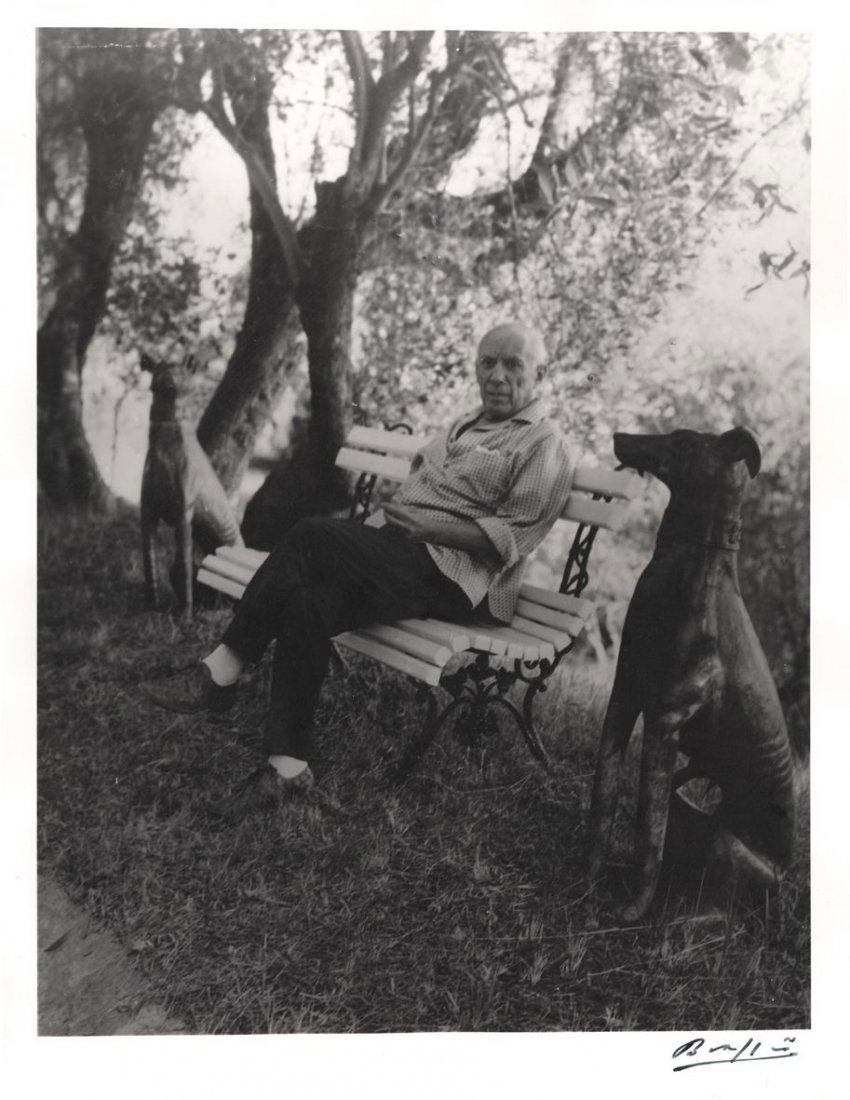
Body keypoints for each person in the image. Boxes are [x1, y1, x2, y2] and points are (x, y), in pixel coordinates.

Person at [143, 322, 576, 818]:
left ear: (540, 373)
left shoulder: (544, 443)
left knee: (311, 535)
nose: (497, 375)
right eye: (487, 362)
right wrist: (386, 527)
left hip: (451, 575)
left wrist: (428, 530)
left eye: (512, 365)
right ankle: (287, 767)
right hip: (399, 554)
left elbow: (514, 537)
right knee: (308, 603)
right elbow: (418, 491)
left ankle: (224, 669)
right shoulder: (466, 424)